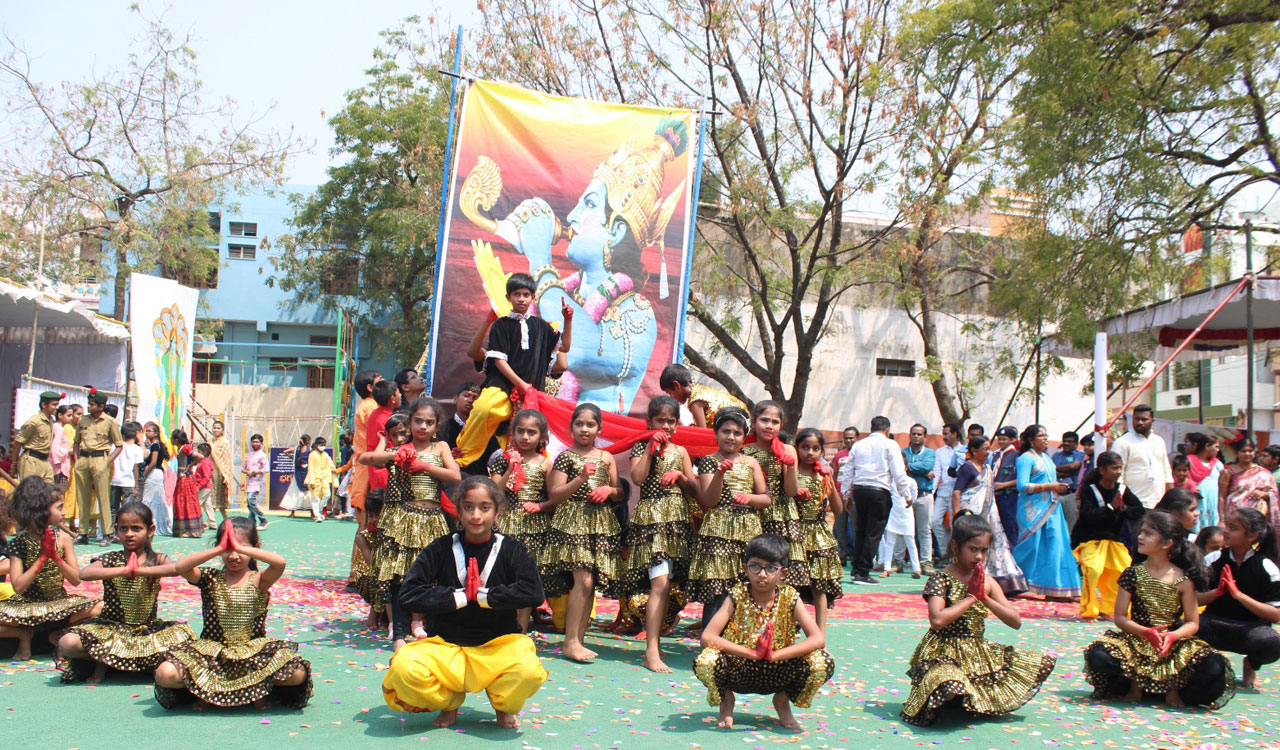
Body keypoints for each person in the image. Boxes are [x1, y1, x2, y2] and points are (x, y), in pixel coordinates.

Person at [382, 476, 548, 728]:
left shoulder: (512, 549)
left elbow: (533, 593)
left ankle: (503, 706)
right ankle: (449, 702)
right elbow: (408, 594)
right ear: (458, 510)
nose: (476, 515)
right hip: (446, 646)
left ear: (497, 510)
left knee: (528, 671)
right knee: (404, 669)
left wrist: (487, 596)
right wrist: (455, 597)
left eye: (484, 507)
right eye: (468, 507)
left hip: (498, 646)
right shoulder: (440, 547)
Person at [900, 512, 1056, 726]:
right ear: (956, 547)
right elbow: (937, 620)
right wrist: (971, 598)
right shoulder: (941, 579)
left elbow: (1015, 621)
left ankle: (962, 700)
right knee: (949, 684)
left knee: (1039, 662)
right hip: (943, 653)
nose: (980, 557)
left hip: (977, 653)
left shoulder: (988, 581)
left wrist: (984, 598)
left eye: (984, 550)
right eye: (973, 549)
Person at [154, 518, 312, 709]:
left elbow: (280, 563)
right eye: (228, 549)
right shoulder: (210, 578)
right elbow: (181, 568)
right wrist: (219, 548)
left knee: (297, 674)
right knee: (165, 674)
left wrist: (240, 547)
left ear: (255, 548)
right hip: (212, 655)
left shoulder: (260, 579)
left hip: (253, 656)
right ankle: (230, 689)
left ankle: (246, 687)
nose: (234, 555)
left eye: (241, 548)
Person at [1084, 510, 1233, 707]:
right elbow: (1120, 617)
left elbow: (1192, 622)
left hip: (1172, 642)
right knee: (1099, 656)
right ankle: (1134, 684)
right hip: (1136, 639)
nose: (1140, 537)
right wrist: (1145, 632)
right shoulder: (1132, 574)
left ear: (1166, 543)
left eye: (1148, 533)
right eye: (1142, 532)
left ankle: (1171, 688)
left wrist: (1172, 637)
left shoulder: (1183, 579)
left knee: (1214, 666)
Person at [694, 534, 834, 730]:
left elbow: (817, 639)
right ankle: (726, 702)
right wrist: (752, 653)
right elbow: (708, 637)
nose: (762, 574)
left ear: (783, 573)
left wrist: (775, 655)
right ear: (745, 569)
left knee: (823, 662)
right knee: (705, 660)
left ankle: (782, 701)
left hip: (777, 668)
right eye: (755, 566)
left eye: (771, 568)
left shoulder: (790, 596)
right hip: (739, 668)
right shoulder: (737, 594)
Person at [57, 502, 196, 683]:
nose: (129, 534)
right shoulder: (111, 558)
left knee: (182, 642)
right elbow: (85, 573)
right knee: (67, 643)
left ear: (150, 530)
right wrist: (123, 570)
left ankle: (126, 663)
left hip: (147, 630)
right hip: (111, 629)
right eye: (124, 529)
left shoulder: (157, 559)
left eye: (136, 528)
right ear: (116, 530)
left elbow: (176, 569)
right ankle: (111, 663)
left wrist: (138, 571)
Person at [364, 400, 461, 650]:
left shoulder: (440, 447)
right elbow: (367, 458)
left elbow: (455, 476)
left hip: (432, 521)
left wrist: (425, 466)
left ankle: (424, 625)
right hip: (402, 521)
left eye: (429, 422)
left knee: (432, 577)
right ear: (409, 423)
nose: (423, 426)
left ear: (437, 426)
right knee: (399, 577)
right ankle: (398, 632)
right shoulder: (401, 449)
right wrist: (392, 452)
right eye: (418, 421)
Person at [455, 273, 572, 469]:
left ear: (532, 298)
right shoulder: (501, 325)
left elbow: (564, 347)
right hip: (503, 386)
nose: (521, 299)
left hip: (531, 393)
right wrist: (521, 384)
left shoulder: (541, 327)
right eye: (516, 294)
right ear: (508, 297)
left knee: (521, 439)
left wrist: (567, 320)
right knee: (484, 409)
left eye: (526, 294)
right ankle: (462, 457)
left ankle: (514, 480)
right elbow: (499, 360)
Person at [618, 396, 696, 673]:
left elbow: (695, 490)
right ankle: (651, 648)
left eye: (670, 421)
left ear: (677, 424)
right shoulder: (641, 446)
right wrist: (650, 450)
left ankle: (657, 641)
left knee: (669, 584)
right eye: (660, 420)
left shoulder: (682, 452)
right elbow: (638, 478)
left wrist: (680, 475)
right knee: (659, 583)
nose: (665, 425)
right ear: (649, 422)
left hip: (676, 522)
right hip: (651, 521)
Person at [541, 403, 622, 662]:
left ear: (600, 428)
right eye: (579, 424)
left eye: (590, 424)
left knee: (592, 582)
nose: (584, 429)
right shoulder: (565, 457)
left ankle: (580, 637)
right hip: (572, 522)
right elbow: (555, 495)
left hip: (599, 524)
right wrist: (580, 480)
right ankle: (570, 641)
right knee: (583, 581)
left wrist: (608, 491)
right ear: (571, 427)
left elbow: (619, 492)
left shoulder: (606, 458)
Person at [687, 408, 770, 630]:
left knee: (746, 586)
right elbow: (709, 502)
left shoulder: (751, 462)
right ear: (716, 434)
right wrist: (719, 475)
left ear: (744, 436)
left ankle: (741, 643)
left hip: (747, 530)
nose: (731, 437)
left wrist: (749, 498)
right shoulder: (707, 461)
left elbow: (766, 498)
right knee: (717, 588)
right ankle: (711, 646)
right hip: (717, 530)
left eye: (737, 433)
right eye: (726, 431)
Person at [0, 478, 100, 660]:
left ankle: (59, 634)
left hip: (58, 604)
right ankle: (23, 635)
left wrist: (55, 557)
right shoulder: (18, 544)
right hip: (26, 607)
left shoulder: (63, 538)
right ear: (42, 510)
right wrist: (42, 559)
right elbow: (18, 587)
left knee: (102, 608)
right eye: (59, 507)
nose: (65, 512)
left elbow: (76, 579)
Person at [1197, 507, 1280, 689]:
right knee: (1182, 627)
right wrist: (1216, 593)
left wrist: (1239, 595)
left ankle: (1251, 663)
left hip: (1250, 630)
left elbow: (1275, 615)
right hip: (1214, 624)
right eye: (1227, 525)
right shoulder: (1213, 559)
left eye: (1232, 528)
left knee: (1270, 643)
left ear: (1251, 536)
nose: (1225, 531)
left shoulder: (1267, 567)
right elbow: (1193, 599)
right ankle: (1208, 666)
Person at [488, 409, 554, 633]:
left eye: (531, 432)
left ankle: (521, 631)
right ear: (512, 433)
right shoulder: (501, 460)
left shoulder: (546, 464)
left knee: (525, 579)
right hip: (506, 524)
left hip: (534, 527)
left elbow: (554, 498)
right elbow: (495, 492)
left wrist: (540, 507)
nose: (525, 437)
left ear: (542, 437)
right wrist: (510, 468)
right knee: (502, 577)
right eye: (520, 431)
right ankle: (499, 629)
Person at [839, 416, 916, 585]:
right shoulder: (890, 444)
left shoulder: (858, 445)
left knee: (861, 531)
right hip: (879, 491)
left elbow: (848, 470)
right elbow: (898, 472)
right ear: (887, 430)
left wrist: (847, 494)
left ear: (871, 427)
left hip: (860, 490)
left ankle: (856, 569)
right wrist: (907, 494)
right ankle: (863, 572)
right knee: (873, 533)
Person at [1012, 424, 1082, 599]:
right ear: (1031, 439)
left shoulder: (1047, 458)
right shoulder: (1026, 459)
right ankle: (1011, 581)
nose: (1045, 439)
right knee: (1031, 547)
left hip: (1052, 509)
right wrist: (1051, 486)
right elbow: (1022, 486)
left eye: (1046, 435)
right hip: (1033, 511)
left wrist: (1057, 488)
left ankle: (1054, 588)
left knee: (1055, 547)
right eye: (1041, 436)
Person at [1072, 451, 1145, 619]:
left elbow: (1138, 510)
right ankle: (1089, 610)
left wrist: (1123, 509)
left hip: (1114, 539)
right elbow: (1087, 515)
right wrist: (1111, 508)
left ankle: (1108, 608)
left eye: (1120, 468)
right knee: (1093, 570)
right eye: (1114, 468)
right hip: (1090, 539)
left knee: (1121, 572)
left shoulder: (1123, 490)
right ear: (1102, 470)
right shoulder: (1090, 490)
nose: (1118, 472)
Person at [951, 436, 1026, 596]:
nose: (988, 452)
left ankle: (999, 584)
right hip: (972, 513)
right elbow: (957, 492)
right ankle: (967, 582)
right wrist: (957, 517)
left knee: (994, 544)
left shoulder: (987, 469)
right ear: (974, 450)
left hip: (990, 515)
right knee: (971, 545)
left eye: (989, 448)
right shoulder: (967, 467)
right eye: (985, 449)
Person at [743, 401, 806, 588]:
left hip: (783, 515)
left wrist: (790, 465)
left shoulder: (787, 450)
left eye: (775, 422)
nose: (769, 426)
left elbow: (791, 491)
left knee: (782, 569)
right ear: (754, 422)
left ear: (781, 425)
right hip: (755, 514)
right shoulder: (745, 450)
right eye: (764, 420)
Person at [793, 428, 843, 632]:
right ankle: (790, 625)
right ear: (796, 448)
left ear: (822, 451)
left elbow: (838, 509)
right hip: (795, 532)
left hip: (819, 533)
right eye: (805, 447)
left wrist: (829, 480)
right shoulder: (792, 471)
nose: (810, 453)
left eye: (815, 448)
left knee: (819, 585)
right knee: (793, 583)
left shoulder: (823, 476)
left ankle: (820, 632)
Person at [73, 389, 124, 545]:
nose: (89, 406)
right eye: (89, 403)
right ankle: (82, 533)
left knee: (103, 497)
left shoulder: (110, 421)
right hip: (83, 458)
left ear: (101, 406)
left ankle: (107, 533)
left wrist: (107, 462)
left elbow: (119, 445)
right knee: (82, 497)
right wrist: (77, 460)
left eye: (93, 404)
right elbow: (76, 442)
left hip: (100, 458)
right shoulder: (83, 420)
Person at [1112, 405, 1174, 509]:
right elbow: (1117, 474)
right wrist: (1118, 499)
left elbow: (1166, 471)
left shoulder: (1159, 441)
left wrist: (1170, 498)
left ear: (1152, 421)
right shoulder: (1122, 442)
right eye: (1137, 419)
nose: (1140, 422)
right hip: (1134, 505)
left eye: (1144, 419)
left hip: (1158, 504)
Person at [658, 363, 748, 429]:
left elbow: (702, 434)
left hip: (740, 429)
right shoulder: (701, 390)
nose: (671, 398)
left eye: (669, 393)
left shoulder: (696, 401)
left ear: (676, 385)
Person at [1218, 440, 1280, 530]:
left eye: (1250, 451)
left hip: (1256, 518)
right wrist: (1222, 520)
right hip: (1234, 516)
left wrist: (1265, 494)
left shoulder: (1263, 472)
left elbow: (1275, 494)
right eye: (1243, 451)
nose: (1247, 454)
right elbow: (1221, 497)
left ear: (1254, 453)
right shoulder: (1228, 473)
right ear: (1237, 453)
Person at [348, 369, 383, 526]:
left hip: (368, 468)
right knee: (366, 526)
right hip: (368, 470)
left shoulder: (371, 406)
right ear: (370, 387)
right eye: (380, 380)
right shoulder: (370, 407)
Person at [900, 424, 936, 575]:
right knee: (901, 529)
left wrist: (908, 467)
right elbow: (900, 467)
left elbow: (927, 465)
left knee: (925, 530)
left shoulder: (930, 453)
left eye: (919, 434)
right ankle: (898, 560)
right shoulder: (902, 452)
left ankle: (926, 562)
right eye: (913, 434)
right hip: (905, 496)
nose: (916, 436)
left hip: (924, 495)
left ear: (925, 437)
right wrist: (922, 471)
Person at [353, 491, 385, 629]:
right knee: (381, 577)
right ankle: (376, 612)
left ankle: (386, 615)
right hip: (367, 577)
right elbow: (373, 564)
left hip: (383, 573)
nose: (373, 520)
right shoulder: (363, 537)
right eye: (370, 516)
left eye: (377, 515)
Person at [930, 423, 962, 566]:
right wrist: (932, 491)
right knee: (935, 521)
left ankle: (953, 555)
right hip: (942, 492)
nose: (944, 437)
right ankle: (944, 551)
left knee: (955, 524)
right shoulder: (940, 452)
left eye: (947, 433)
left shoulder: (964, 451)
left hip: (958, 493)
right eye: (943, 433)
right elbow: (937, 472)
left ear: (955, 434)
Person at [830, 426, 860, 567]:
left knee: (855, 527)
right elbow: (835, 475)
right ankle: (841, 555)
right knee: (840, 527)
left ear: (857, 438)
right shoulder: (840, 454)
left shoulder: (860, 453)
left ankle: (856, 556)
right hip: (839, 496)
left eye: (851, 438)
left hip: (854, 496)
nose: (848, 440)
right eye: (846, 438)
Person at [13, 391, 60, 481]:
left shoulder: (50, 420)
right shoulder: (34, 421)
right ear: (44, 405)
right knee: (30, 492)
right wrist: (14, 463)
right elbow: (18, 441)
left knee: (49, 492)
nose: (57, 407)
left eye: (57, 404)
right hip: (31, 461)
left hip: (45, 461)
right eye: (54, 405)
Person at [879, 484, 921, 579]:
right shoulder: (891, 482)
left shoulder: (911, 481)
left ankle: (916, 569)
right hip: (893, 513)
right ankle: (887, 568)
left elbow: (914, 497)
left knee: (910, 542)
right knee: (890, 543)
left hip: (907, 514)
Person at [990, 426, 1021, 544]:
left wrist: (1004, 485)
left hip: (1008, 496)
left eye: (1004, 439)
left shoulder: (1016, 455)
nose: (1001, 442)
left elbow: (1021, 479)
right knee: (997, 526)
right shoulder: (996, 455)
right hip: (995, 496)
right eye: (1000, 439)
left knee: (1010, 526)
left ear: (1012, 440)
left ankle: (1013, 553)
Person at [108, 423, 146, 520]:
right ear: (136, 434)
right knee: (127, 509)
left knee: (112, 508)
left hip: (114, 480)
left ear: (122, 435)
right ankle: (125, 528)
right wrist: (136, 486)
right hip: (129, 482)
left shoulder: (115, 446)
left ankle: (111, 530)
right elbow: (135, 468)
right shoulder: (138, 449)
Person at [170, 430, 204, 538]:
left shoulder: (185, 448)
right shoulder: (181, 449)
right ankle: (184, 529)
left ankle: (190, 530)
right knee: (181, 501)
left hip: (185, 479)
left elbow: (200, 456)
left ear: (176, 440)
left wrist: (190, 466)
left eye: (172, 438)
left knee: (186, 501)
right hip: (182, 478)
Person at [1052, 431, 1085, 531]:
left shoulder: (1079, 455)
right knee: (1055, 524)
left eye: (1070, 441)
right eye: (1065, 441)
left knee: (1072, 525)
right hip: (1056, 494)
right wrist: (1064, 470)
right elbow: (1051, 472)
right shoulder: (1056, 455)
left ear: (1076, 444)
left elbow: (1073, 466)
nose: (1066, 444)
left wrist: (1056, 468)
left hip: (1071, 495)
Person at [209, 420, 234, 529]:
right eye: (214, 427)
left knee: (221, 498)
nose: (216, 430)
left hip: (221, 473)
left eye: (218, 428)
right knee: (210, 498)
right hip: (210, 472)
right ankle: (210, 520)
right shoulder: (210, 441)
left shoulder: (225, 442)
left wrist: (226, 475)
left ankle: (226, 519)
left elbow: (227, 459)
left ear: (222, 430)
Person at [303, 437, 336, 522]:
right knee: (315, 498)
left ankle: (319, 510)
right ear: (316, 445)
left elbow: (327, 468)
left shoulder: (325, 455)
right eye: (321, 445)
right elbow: (311, 468)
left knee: (327, 495)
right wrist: (312, 481)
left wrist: (329, 480)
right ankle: (317, 515)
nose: (323, 447)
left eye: (324, 445)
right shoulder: (312, 454)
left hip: (324, 478)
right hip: (315, 478)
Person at [242, 433, 269, 529]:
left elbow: (266, 468)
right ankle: (251, 522)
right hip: (249, 481)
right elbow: (243, 467)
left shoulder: (262, 455)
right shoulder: (249, 455)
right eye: (253, 442)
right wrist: (247, 472)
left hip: (256, 482)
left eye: (257, 442)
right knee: (249, 503)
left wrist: (255, 472)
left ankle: (263, 519)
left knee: (251, 500)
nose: (255, 444)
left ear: (261, 443)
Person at [190, 443, 217, 529]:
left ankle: (196, 522)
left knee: (197, 504)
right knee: (207, 505)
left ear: (205, 453)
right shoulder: (202, 462)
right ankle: (212, 522)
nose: (197, 453)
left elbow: (206, 476)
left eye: (199, 452)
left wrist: (199, 487)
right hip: (205, 487)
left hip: (204, 487)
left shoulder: (204, 463)